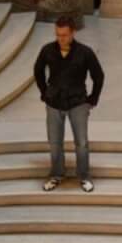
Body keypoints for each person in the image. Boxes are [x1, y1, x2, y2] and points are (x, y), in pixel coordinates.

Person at [34, 16, 104, 192]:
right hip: (54, 102)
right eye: (58, 35)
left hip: (78, 102)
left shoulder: (85, 52)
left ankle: (84, 176)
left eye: (64, 35)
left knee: (81, 142)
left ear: (73, 33)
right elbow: (38, 70)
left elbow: (99, 76)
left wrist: (92, 99)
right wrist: (44, 92)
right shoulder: (47, 50)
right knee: (55, 142)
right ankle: (56, 174)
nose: (60, 38)